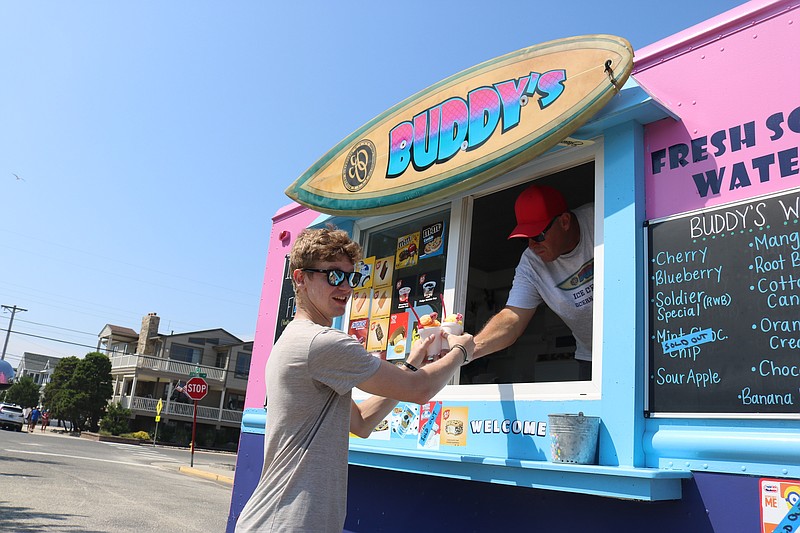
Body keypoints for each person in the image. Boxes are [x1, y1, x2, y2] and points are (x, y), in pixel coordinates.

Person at [236, 226, 474, 532]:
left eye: (351, 277)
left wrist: (413, 361)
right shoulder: (322, 343)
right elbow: (420, 390)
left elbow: (362, 422)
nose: (346, 288)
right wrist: (461, 351)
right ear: (300, 278)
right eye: (333, 275)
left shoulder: (298, 341)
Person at [471, 184, 594, 379]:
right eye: (525, 238)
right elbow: (512, 318)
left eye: (538, 235)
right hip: (591, 357)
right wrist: (467, 350)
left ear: (564, 221)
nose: (532, 245)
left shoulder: (601, 221)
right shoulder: (531, 263)